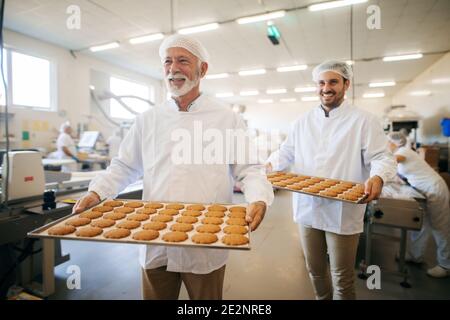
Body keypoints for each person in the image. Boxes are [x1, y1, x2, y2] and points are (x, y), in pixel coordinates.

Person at [73, 34, 274, 300]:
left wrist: (259, 198)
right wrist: (96, 192)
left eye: (183, 61)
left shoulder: (226, 118)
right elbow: (124, 166)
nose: (173, 68)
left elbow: (249, 168)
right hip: (156, 237)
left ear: (202, 69)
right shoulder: (148, 119)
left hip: (206, 241)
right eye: (168, 61)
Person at [266, 60, 397, 300]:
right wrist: (270, 164)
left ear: (346, 84)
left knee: (342, 276)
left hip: (342, 211)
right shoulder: (302, 121)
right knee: (314, 270)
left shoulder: (363, 121)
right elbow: (286, 152)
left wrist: (378, 175)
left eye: (333, 82)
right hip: (308, 208)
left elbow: (381, 156)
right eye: (321, 82)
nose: (326, 88)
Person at [388, 132, 450, 278]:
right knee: (421, 224)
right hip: (424, 191)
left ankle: (445, 265)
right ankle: (415, 256)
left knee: (439, 226)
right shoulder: (403, 152)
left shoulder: (402, 152)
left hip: (434, 189)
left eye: (387, 142)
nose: (385, 145)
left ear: (394, 143)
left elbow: (397, 160)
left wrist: (379, 161)